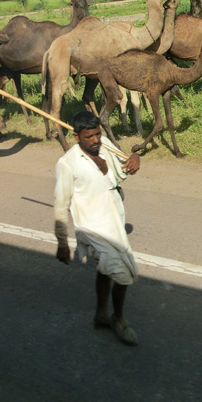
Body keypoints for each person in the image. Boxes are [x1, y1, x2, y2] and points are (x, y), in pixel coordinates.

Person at [53, 110, 142, 346]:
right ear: (76, 137)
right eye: (88, 137)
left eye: (97, 134)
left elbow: (122, 171)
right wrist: (62, 242)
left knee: (105, 270)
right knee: (123, 275)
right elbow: (61, 206)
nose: (95, 140)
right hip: (93, 227)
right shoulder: (67, 164)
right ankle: (119, 319)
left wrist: (135, 158)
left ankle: (101, 314)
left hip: (114, 218)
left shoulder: (106, 147)